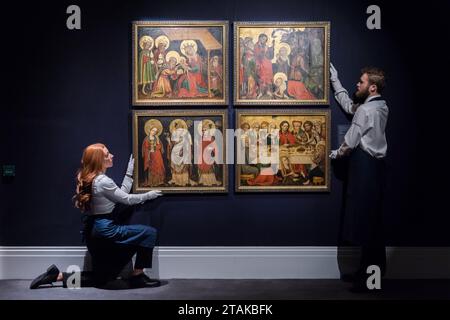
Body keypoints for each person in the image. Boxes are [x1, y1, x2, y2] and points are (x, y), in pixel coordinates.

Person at [30, 143, 163, 290]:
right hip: (106, 229)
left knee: (102, 278)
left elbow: (119, 195)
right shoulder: (103, 181)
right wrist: (149, 195)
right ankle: (137, 276)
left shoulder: (94, 179)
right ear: (99, 160)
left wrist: (129, 174)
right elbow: (126, 199)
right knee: (149, 233)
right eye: (107, 155)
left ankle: (57, 276)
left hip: (94, 231)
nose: (111, 156)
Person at [329, 63, 388, 292]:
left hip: (364, 167)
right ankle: (371, 273)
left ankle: (367, 279)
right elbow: (350, 106)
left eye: (361, 82)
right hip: (376, 168)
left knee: (364, 222)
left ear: (371, 87)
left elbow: (350, 141)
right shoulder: (380, 106)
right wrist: (336, 81)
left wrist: (334, 153)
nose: (358, 84)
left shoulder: (366, 110)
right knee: (373, 223)